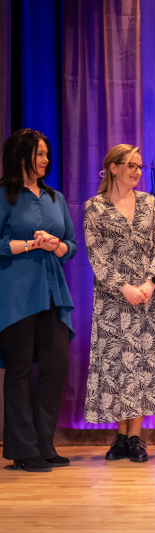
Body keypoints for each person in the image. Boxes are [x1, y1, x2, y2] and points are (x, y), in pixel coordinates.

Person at [83, 144, 155, 463]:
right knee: (118, 364)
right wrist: (123, 287)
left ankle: (136, 437)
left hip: (147, 297)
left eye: (139, 166)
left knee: (141, 364)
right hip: (112, 300)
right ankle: (120, 436)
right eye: (130, 165)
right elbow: (96, 255)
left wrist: (150, 282)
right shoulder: (95, 207)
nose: (136, 171)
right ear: (113, 168)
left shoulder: (149, 203)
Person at [0, 129, 77, 472]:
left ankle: (44, 444)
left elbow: (70, 245)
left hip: (52, 292)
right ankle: (23, 449)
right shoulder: (5, 195)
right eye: (39, 154)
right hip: (16, 294)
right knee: (18, 371)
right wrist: (30, 244)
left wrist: (55, 245)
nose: (46, 160)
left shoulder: (55, 197)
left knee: (56, 364)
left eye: (47, 154)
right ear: (21, 156)